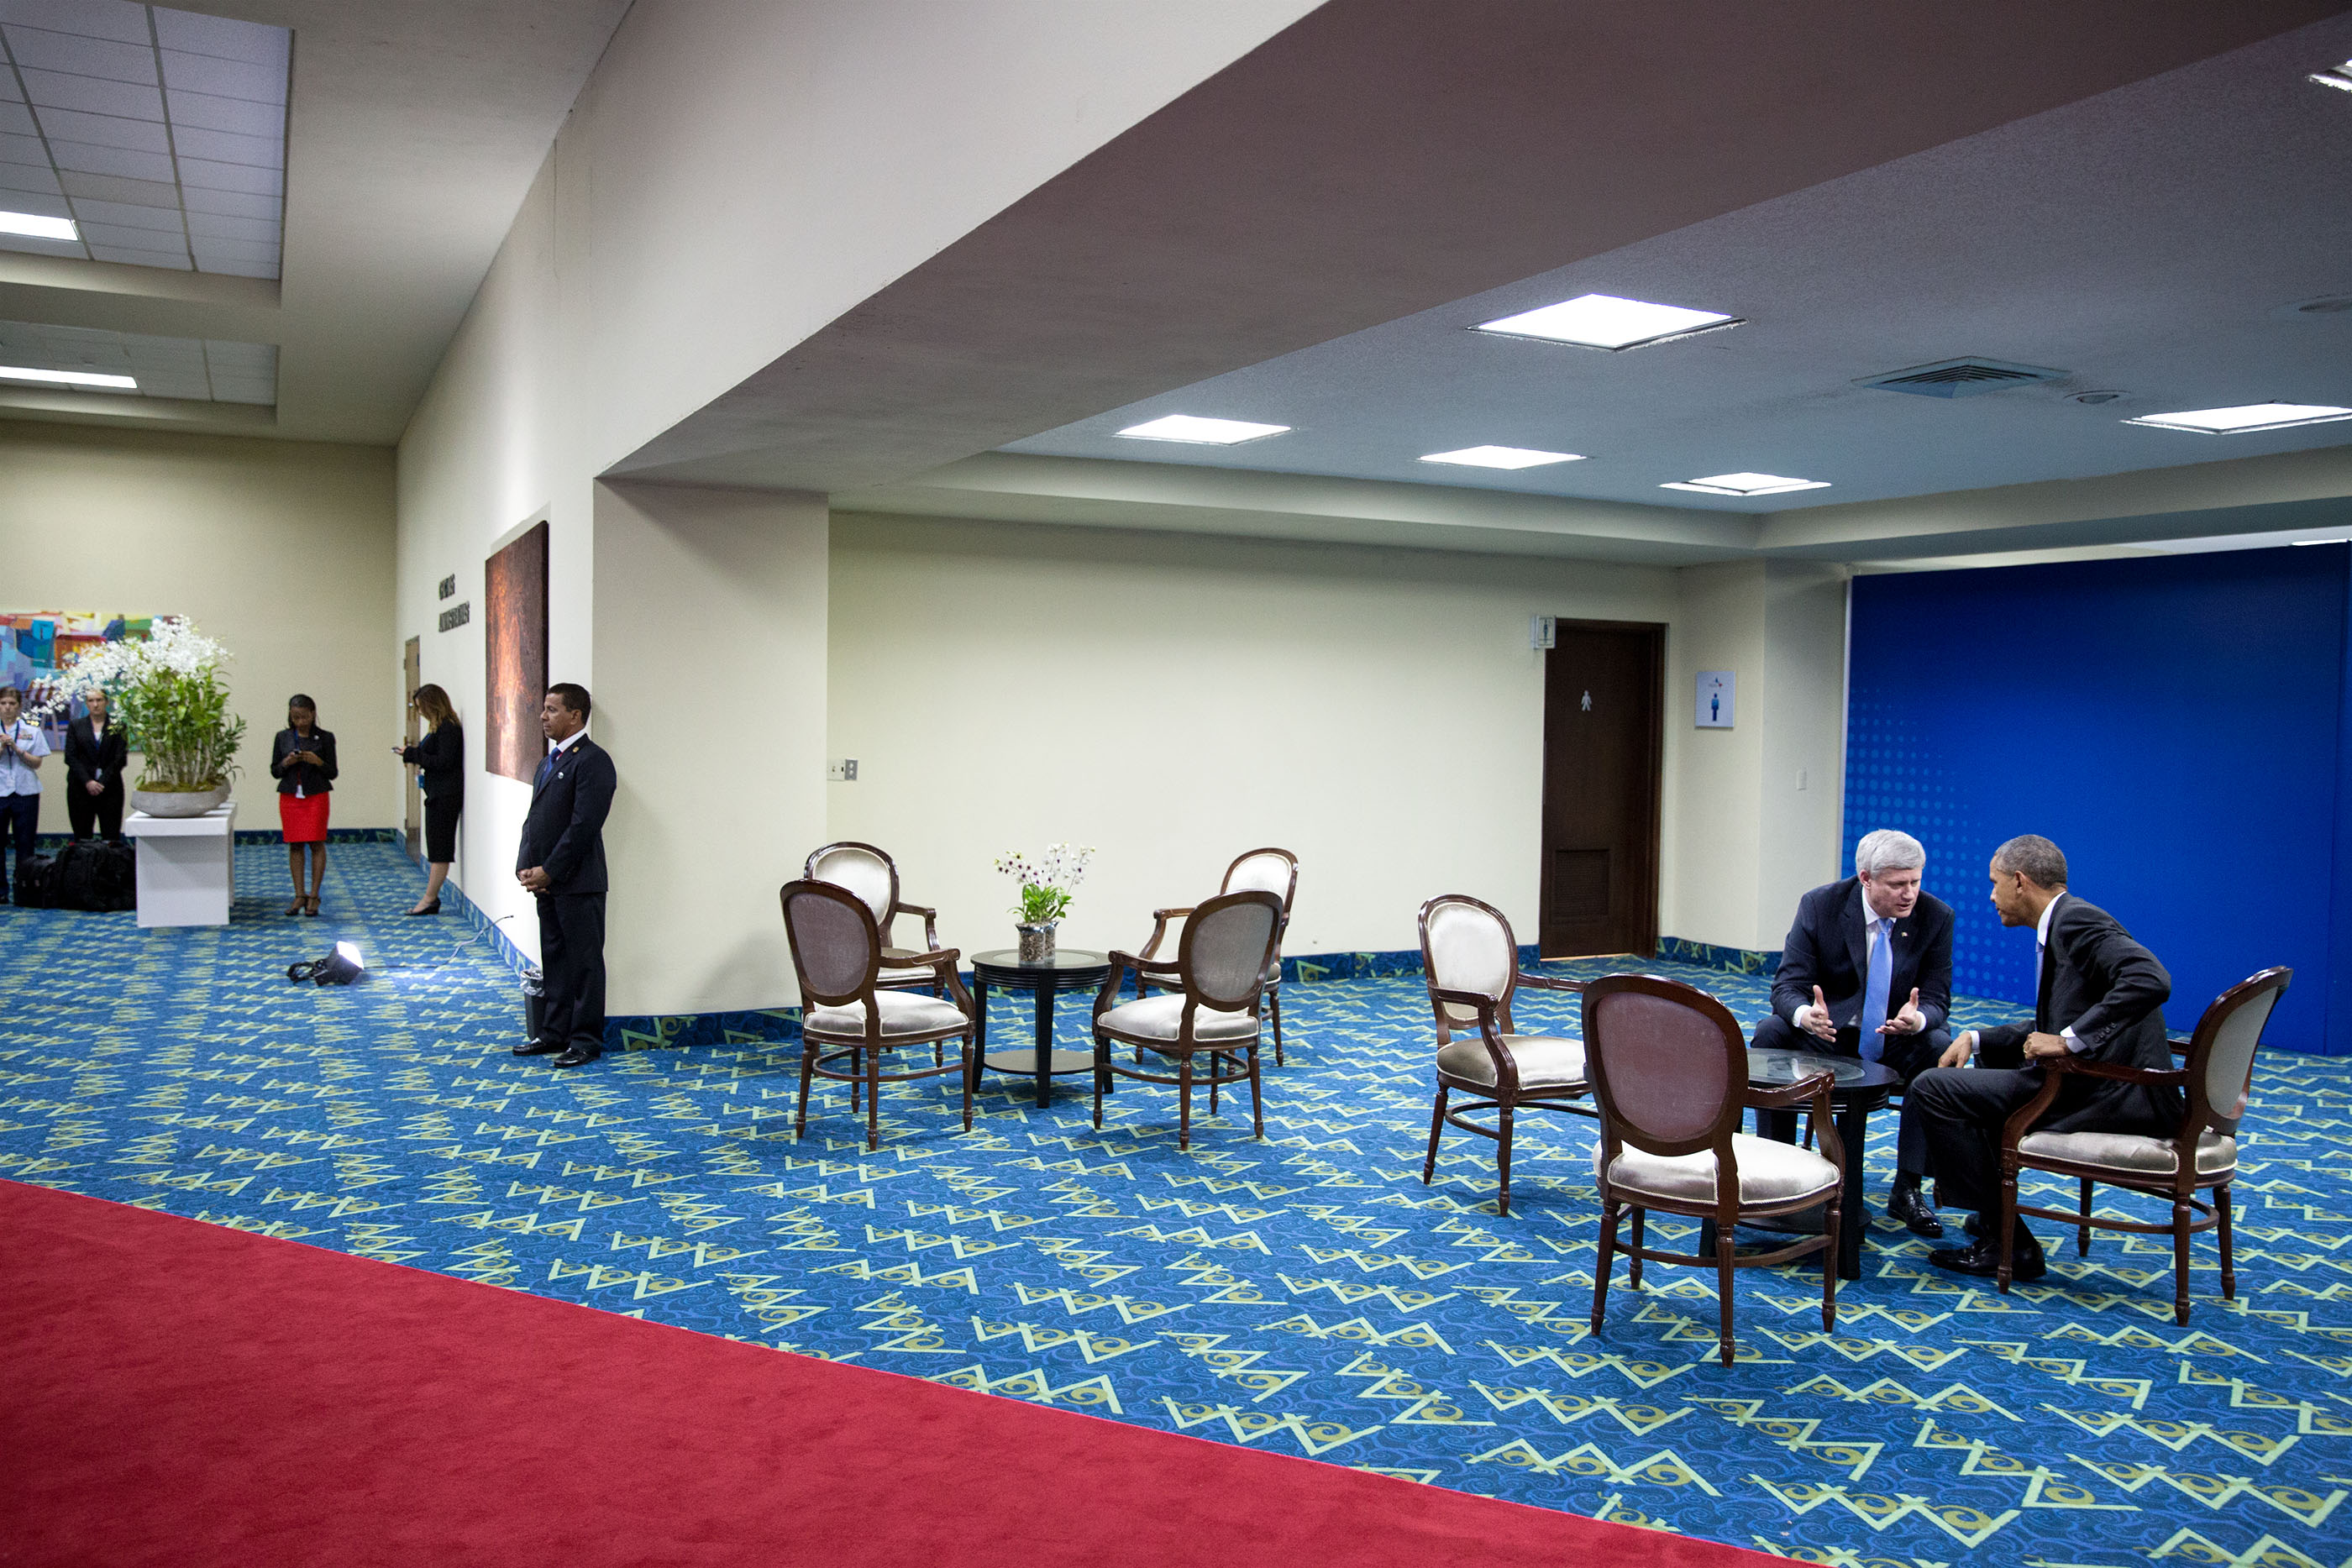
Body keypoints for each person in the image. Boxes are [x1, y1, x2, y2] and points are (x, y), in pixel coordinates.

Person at [1906, 834, 2177, 1282]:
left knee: (1933, 1088)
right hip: (2097, 1081)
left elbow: (2151, 979)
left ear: (2019, 881)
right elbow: (2055, 1021)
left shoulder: (2077, 922)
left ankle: (2008, 1242)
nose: (1990, 896)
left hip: (2108, 1091)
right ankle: (1997, 1217)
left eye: (1994, 884)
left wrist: (2069, 1040)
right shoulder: (2065, 922)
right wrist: (1977, 1038)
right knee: (1979, 1077)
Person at [1753, 827, 1957, 1238]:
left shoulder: (1936, 917)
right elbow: (1786, 986)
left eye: (1916, 882)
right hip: (1828, 1035)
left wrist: (1917, 1020)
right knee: (1771, 1032)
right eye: (1898, 884)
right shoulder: (1821, 905)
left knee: (1939, 1049)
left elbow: (1937, 998)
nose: (1910, 894)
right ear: (1866, 878)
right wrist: (1804, 1014)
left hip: (1896, 1037)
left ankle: (1908, 1187)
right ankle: (1776, 1169)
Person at [514, 683, 614, 1069]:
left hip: (579, 881)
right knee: (554, 959)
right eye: (544, 709)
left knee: (585, 963)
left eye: (553, 710)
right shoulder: (548, 761)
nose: (543, 716)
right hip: (548, 883)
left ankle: (585, 1040)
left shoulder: (593, 761)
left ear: (576, 716)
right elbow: (534, 821)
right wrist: (526, 864)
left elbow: (583, 827)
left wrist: (550, 871)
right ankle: (553, 1032)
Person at [393, 684, 463, 915]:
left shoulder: (448, 729)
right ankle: (430, 897)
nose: (420, 712)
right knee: (435, 848)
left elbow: (443, 762)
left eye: (422, 707)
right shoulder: (438, 728)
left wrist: (413, 754)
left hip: (445, 796)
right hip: (437, 793)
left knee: (440, 850)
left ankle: (430, 898)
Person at [270, 695, 338, 917]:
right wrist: (286, 762)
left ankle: (314, 895)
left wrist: (317, 761)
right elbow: (274, 771)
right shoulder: (282, 737)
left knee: (316, 843)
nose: (300, 721)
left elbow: (333, 772)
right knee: (295, 845)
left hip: (316, 795)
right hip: (290, 796)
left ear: (313, 714)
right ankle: (299, 894)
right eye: (295, 717)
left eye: (304, 717)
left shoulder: (325, 738)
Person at [0, 684, 48, 902]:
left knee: (25, 843)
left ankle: (24, 890)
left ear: (19, 707)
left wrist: (19, 750)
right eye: (3, 704)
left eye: (12, 704)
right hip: (1, 792)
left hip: (25, 792)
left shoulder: (31, 730)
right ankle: (1, 891)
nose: (8, 708)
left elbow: (37, 762)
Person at [65, 688, 128, 844]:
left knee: (111, 836)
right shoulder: (76, 726)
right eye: (91, 701)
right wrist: (88, 782)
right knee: (82, 836)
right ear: (86, 704)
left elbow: (119, 759)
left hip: (110, 787)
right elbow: (70, 757)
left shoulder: (118, 725)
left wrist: (101, 782)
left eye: (99, 700)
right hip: (81, 787)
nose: (95, 704)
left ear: (106, 702)